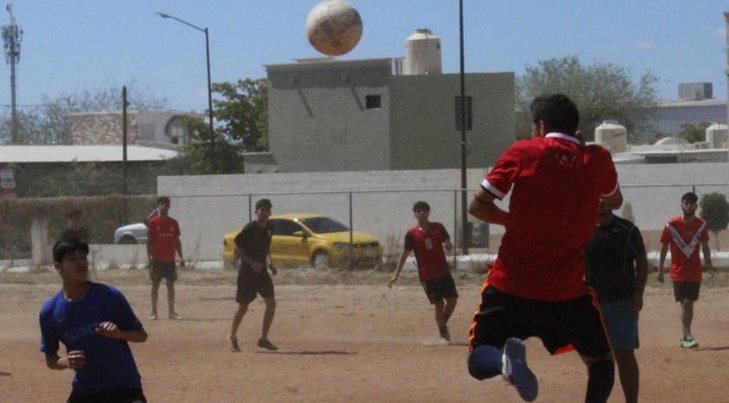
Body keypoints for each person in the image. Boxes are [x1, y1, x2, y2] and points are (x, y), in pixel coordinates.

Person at [466, 94, 623, 403]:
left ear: (540, 125)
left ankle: (503, 364)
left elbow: (478, 206)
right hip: (567, 292)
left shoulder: (524, 151)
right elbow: (614, 200)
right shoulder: (596, 158)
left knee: (478, 360)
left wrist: (515, 221)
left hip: (510, 286)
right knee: (601, 362)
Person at [39, 239, 148, 403]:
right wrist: (66, 361)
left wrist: (119, 333)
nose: (80, 263)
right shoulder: (50, 312)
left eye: (83, 257)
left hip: (123, 387)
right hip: (86, 390)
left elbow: (141, 335)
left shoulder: (108, 295)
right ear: (58, 266)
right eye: (72, 259)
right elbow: (51, 360)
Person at [585, 200, 648, 403]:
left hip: (623, 303)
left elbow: (642, 262)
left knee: (624, 355)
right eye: (597, 199)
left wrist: (638, 293)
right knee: (596, 359)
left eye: (605, 201)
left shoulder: (628, 230)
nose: (601, 205)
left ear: (612, 203)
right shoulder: (581, 231)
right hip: (592, 305)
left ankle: (632, 400)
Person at [387, 200, 458, 342]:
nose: (421, 213)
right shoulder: (411, 234)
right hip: (427, 275)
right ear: (414, 214)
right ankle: (443, 332)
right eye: (418, 211)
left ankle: (442, 322)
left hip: (443, 271)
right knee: (439, 303)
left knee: (452, 300)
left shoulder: (438, 227)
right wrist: (396, 275)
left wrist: (449, 245)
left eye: (424, 210)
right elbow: (404, 255)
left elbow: (448, 244)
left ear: (428, 212)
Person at [658, 191, 714, 349]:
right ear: (681, 204)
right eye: (686, 202)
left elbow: (705, 246)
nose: (689, 205)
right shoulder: (671, 225)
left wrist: (709, 265)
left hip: (695, 271)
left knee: (688, 304)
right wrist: (661, 269)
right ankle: (688, 335)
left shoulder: (701, 225)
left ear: (696, 205)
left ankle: (685, 336)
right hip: (678, 271)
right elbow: (663, 248)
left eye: (692, 203)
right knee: (686, 304)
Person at [228, 198, 279, 352]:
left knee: (271, 303)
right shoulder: (249, 229)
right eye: (261, 210)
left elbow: (267, 247)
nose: (264, 213)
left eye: (267, 210)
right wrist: (251, 263)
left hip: (262, 273)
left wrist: (270, 262)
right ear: (256, 211)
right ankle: (233, 337)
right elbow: (237, 251)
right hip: (247, 274)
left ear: (270, 212)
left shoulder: (270, 228)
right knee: (243, 307)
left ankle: (263, 339)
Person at [146, 196, 185, 320]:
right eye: (161, 204)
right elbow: (149, 241)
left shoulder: (173, 223)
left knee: (171, 285)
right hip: (157, 259)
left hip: (170, 260)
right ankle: (153, 312)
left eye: (166, 204)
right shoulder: (153, 222)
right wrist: (149, 259)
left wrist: (181, 256)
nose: (163, 206)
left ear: (169, 206)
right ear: (158, 206)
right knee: (155, 285)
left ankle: (171, 312)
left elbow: (177, 241)